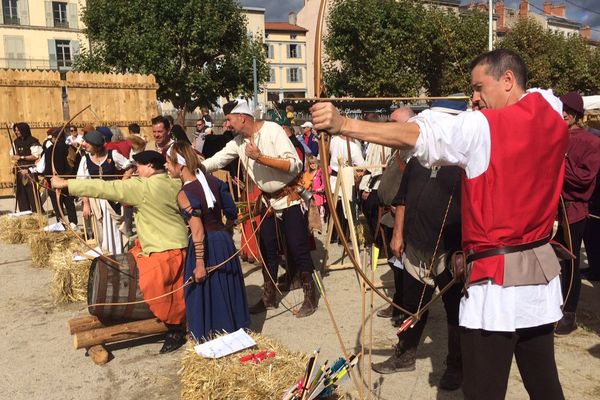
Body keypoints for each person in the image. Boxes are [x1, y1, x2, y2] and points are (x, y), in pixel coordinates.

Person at [312, 49, 567, 400]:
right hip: (539, 279)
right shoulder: (550, 114)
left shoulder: (482, 128)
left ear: (508, 81)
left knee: (482, 392)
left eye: (479, 88)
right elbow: (542, 95)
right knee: (545, 386)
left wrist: (345, 125)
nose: (474, 99)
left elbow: (417, 137)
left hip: (498, 285)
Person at [371, 98, 467, 392]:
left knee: (455, 311)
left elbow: (477, 211)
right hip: (415, 248)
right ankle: (405, 355)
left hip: (450, 251)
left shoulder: (464, 162)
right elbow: (401, 200)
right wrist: (398, 234)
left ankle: (455, 365)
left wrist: (465, 250)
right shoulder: (417, 161)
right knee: (411, 305)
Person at [52, 150, 188, 354]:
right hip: (180, 244)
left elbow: (105, 187)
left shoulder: (142, 186)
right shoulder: (174, 181)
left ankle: (175, 327)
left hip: (162, 250)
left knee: (154, 283)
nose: (135, 170)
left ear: (150, 166)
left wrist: (66, 184)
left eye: (138, 167)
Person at [202, 98, 318, 318]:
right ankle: (269, 297)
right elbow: (217, 160)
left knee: (298, 247)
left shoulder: (272, 130)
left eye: (229, 119)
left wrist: (260, 158)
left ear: (242, 118)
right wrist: (192, 166)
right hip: (268, 202)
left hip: (289, 197)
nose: (226, 124)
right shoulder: (238, 142)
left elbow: (294, 165)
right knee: (267, 249)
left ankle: (310, 296)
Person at [165, 142, 250, 341]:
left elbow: (197, 230)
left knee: (201, 293)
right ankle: (234, 335)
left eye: (169, 162)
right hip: (223, 242)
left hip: (205, 246)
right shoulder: (214, 182)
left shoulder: (184, 194)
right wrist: (225, 232)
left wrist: (200, 264)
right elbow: (231, 213)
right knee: (225, 289)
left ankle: (213, 341)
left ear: (180, 165)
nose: (166, 166)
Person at [554, 91, 600, 335]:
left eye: (564, 112)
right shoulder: (556, 137)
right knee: (553, 261)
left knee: (571, 264)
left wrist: (559, 165)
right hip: (553, 211)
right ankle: (553, 305)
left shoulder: (592, 142)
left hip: (575, 210)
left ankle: (568, 313)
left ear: (572, 115)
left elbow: (585, 179)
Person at [375, 108, 414, 326]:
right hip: (390, 216)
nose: (390, 126)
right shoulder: (397, 151)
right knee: (396, 266)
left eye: (394, 122)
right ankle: (399, 302)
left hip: (403, 218)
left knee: (407, 269)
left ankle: (406, 309)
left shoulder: (415, 153)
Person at [77, 130, 132, 255]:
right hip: (97, 201)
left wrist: (122, 183)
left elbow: (129, 167)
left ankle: (119, 254)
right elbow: (82, 183)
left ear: (96, 146)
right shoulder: (85, 159)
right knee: (101, 229)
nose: (84, 145)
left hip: (113, 198)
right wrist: (86, 203)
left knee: (116, 227)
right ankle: (106, 254)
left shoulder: (113, 154)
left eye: (88, 143)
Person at [23, 127, 77, 227]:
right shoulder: (72, 149)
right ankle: (73, 223)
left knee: (57, 204)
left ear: (54, 138)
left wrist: (29, 170)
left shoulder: (49, 150)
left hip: (54, 181)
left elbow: (40, 168)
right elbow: (77, 164)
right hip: (69, 181)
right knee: (69, 202)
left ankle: (61, 224)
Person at [11, 122, 43, 212]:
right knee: (21, 194)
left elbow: (35, 155)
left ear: (24, 130)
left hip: (29, 170)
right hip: (19, 170)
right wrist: (15, 160)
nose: (16, 132)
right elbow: (13, 155)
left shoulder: (33, 141)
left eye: (18, 130)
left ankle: (37, 213)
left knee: (32, 193)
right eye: (15, 130)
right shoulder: (16, 142)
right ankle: (24, 214)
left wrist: (21, 157)